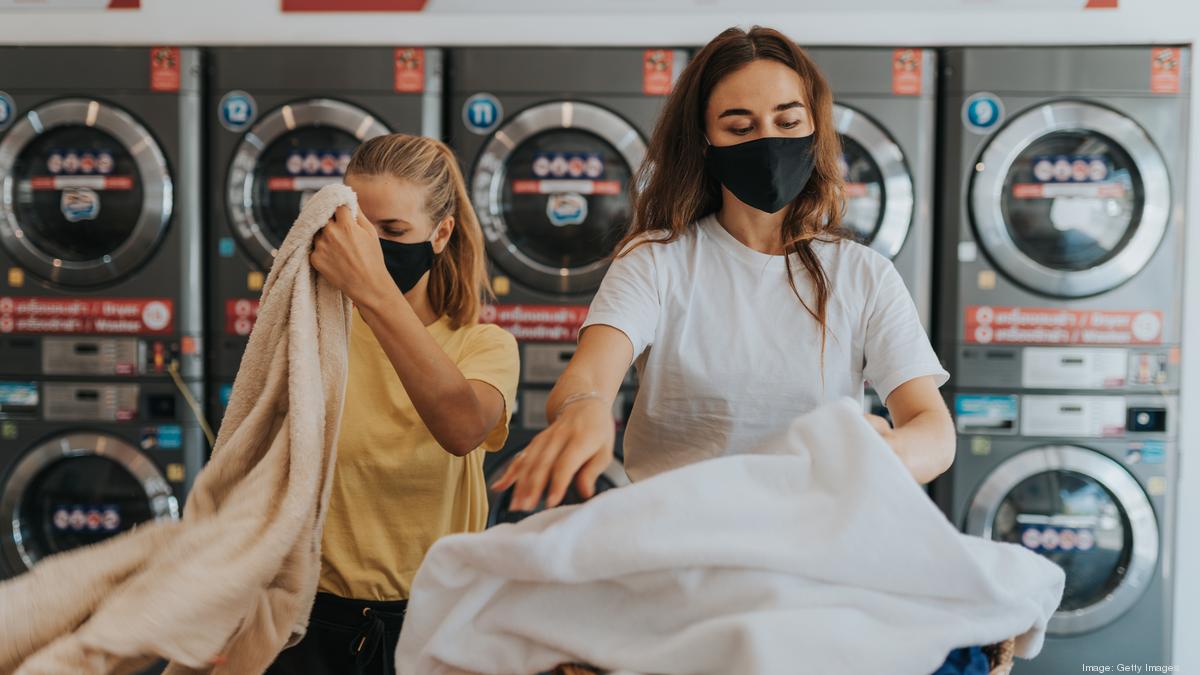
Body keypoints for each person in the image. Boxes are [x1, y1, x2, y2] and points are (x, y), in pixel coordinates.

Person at [493, 26, 954, 511]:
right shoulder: (655, 260)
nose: (768, 142)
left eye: (788, 122)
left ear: (815, 129)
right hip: (680, 544)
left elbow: (932, 427)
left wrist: (891, 452)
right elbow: (586, 377)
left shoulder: (865, 275)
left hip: (813, 544)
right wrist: (583, 411)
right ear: (704, 141)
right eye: (740, 127)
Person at [268, 134, 519, 675]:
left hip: (436, 623)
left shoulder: (484, 345)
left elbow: (460, 427)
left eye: (394, 231)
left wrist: (370, 288)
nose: (371, 248)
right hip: (311, 623)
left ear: (441, 232)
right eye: (359, 228)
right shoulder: (316, 337)